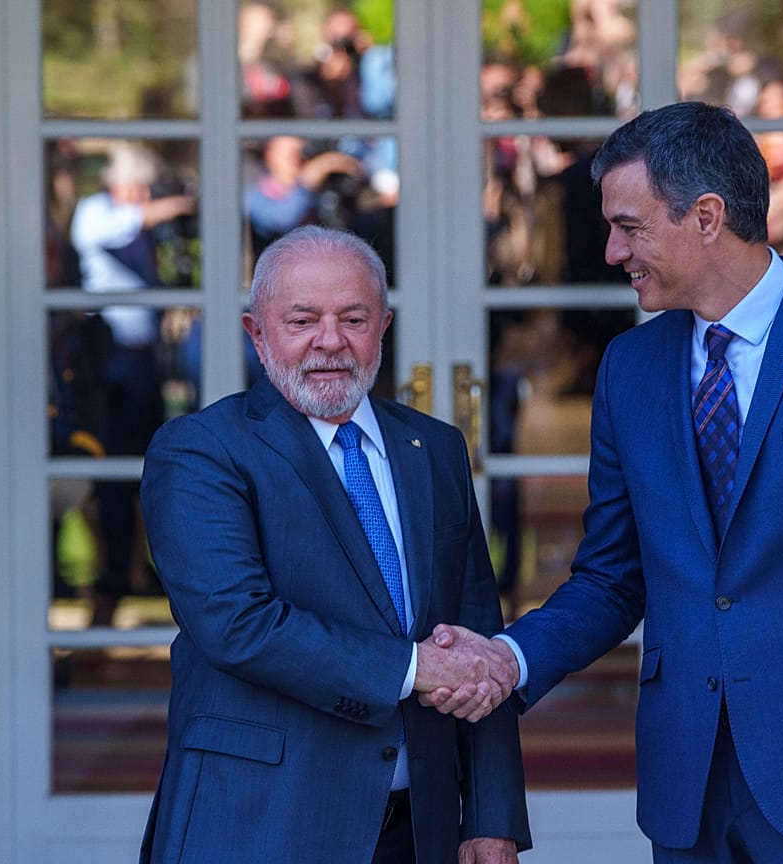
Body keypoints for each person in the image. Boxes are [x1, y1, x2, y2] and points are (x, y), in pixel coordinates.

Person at [427, 101, 783, 862]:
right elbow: (611, 579)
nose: (612, 249)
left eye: (630, 226)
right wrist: (508, 659)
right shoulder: (631, 368)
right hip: (686, 786)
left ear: (708, 216)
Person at [136, 225, 531, 863]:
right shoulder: (200, 451)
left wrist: (491, 816)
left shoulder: (433, 448)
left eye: (353, 318)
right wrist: (414, 667)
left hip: (418, 830)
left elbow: (474, 631)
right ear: (256, 333)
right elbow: (239, 624)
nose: (330, 341)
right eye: (302, 320)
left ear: (383, 328)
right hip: (261, 823)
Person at [68, 142, 195, 624]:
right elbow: (124, 224)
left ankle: (147, 571)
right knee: (115, 479)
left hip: (146, 363)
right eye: (135, 187)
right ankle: (113, 582)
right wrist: (172, 205)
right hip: (109, 363)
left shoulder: (141, 221)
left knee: (155, 472)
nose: (141, 196)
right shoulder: (96, 212)